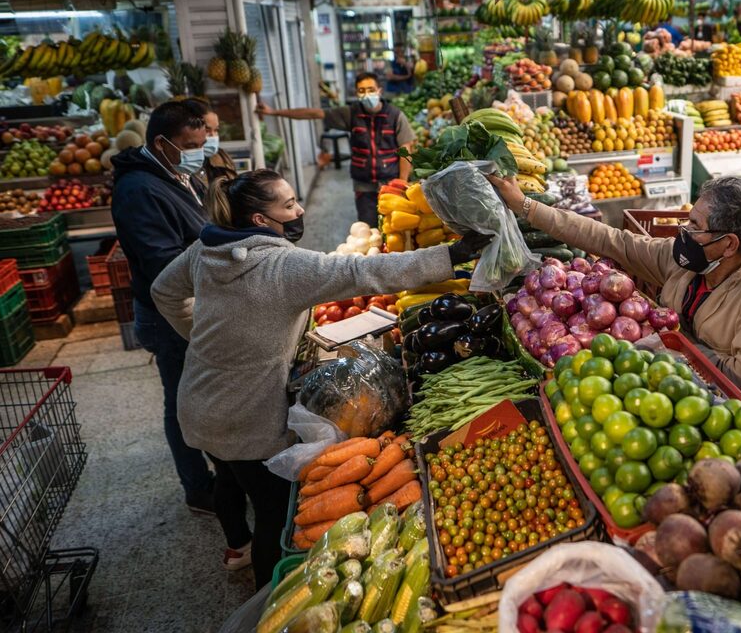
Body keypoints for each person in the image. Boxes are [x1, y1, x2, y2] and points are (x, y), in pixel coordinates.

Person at [150, 169, 490, 588]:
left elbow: (163, 291)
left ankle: (235, 547)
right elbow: (363, 272)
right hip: (246, 414)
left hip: (199, 399)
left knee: (227, 476)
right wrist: (451, 256)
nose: (300, 209)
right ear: (260, 220)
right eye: (289, 204)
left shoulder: (205, 250)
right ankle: (266, 597)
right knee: (272, 506)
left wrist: (201, 339)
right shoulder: (281, 265)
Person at [488, 174, 741, 435]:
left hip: (736, 432)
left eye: (693, 224)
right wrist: (526, 206)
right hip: (671, 404)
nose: (683, 231)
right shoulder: (689, 262)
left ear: (728, 244)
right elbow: (614, 241)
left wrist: (670, 344)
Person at [111, 99, 216, 515]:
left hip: (194, 302)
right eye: (191, 143)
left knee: (194, 393)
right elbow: (162, 264)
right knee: (180, 401)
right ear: (161, 142)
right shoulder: (138, 190)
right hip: (165, 314)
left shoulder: (173, 172)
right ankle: (197, 487)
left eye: (203, 140)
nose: (200, 151)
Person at [256, 72, 415, 227]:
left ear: (379, 90)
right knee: (369, 230)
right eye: (361, 91)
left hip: (391, 183)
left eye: (371, 90)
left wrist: (402, 182)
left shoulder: (395, 116)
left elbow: (405, 149)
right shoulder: (351, 113)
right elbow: (315, 114)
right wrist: (274, 112)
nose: (367, 95)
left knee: (395, 227)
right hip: (364, 186)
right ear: (357, 93)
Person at [193, 100, 238, 185]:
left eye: (216, 130)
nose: (213, 136)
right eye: (207, 130)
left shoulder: (222, 156)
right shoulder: (185, 164)